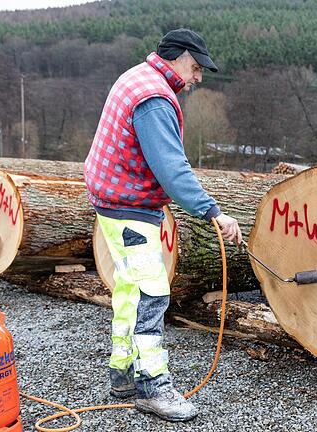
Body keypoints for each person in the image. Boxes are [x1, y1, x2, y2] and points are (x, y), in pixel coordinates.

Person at [83, 28, 241, 422]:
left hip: (113, 203)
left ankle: (121, 375)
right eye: (195, 67)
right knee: (152, 293)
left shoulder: (138, 76)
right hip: (128, 207)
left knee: (129, 290)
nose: (198, 77)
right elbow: (172, 169)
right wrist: (213, 212)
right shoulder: (154, 98)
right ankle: (153, 386)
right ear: (178, 56)